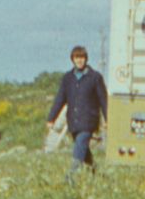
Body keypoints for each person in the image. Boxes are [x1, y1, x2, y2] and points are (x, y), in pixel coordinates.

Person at [47, 44, 109, 177]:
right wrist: (51, 118)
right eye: (77, 58)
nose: (79, 60)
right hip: (73, 121)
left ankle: (72, 174)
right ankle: (94, 171)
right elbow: (60, 99)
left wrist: (107, 119)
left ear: (86, 59)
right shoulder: (67, 78)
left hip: (88, 120)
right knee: (83, 148)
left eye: (82, 57)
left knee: (80, 144)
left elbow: (103, 100)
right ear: (72, 59)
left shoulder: (95, 77)